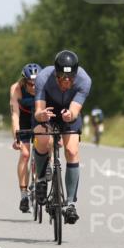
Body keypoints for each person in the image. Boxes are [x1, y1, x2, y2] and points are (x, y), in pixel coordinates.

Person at [32, 50, 91, 224]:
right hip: (47, 111)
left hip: (68, 113)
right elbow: (38, 110)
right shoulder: (44, 77)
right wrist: (41, 115)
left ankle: (70, 204)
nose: (66, 82)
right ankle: (41, 179)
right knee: (42, 139)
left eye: (70, 78)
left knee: (72, 151)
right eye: (62, 78)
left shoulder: (84, 80)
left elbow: (75, 110)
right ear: (55, 74)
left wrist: (70, 115)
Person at [10, 63, 41, 213]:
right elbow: (15, 115)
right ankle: (24, 195)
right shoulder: (16, 89)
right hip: (24, 119)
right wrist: (16, 136)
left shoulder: (45, 86)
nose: (34, 87)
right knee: (25, 154)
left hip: (40, 117)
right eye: (30, 84)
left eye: (37, 83)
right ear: (24, 82)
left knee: (47, 143)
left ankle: (46, 171)